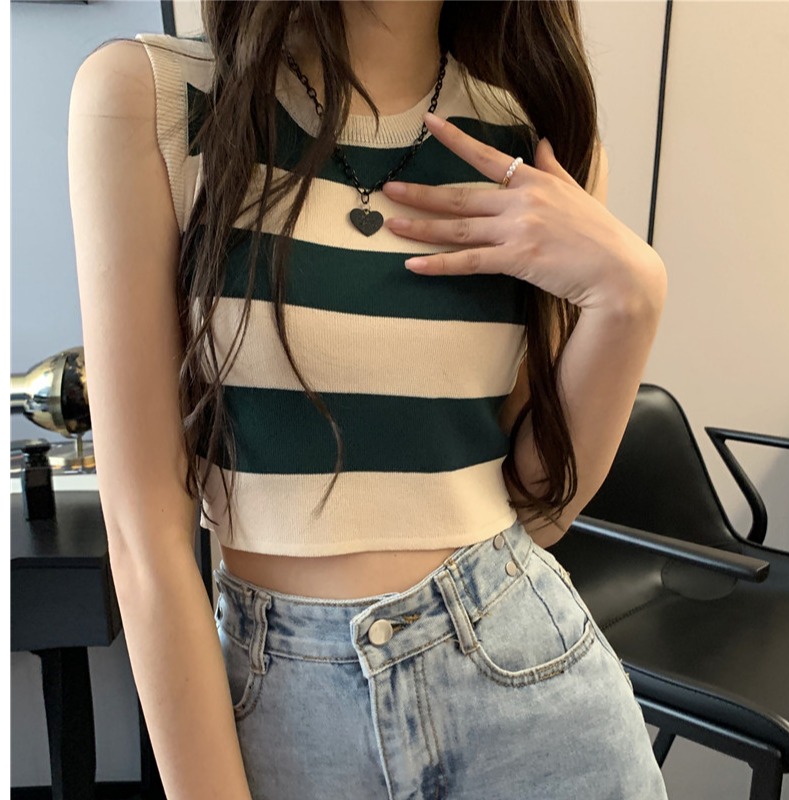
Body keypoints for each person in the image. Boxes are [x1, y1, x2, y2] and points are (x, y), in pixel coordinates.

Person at [68, 1, 669, 798]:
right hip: (287, 704)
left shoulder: (535, 141)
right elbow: (145, 540)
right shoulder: (157, 99)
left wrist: (631, 300)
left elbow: (538, 507)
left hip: (525, 678)